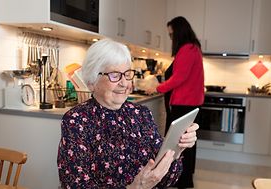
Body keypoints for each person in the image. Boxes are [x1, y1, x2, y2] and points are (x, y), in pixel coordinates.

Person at [57, 38, 199, 189]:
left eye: (127, 74)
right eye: (114, 75)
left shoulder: (141, 114)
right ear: (93, 81)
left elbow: (168, 179)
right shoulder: (77, 120)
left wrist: (176, 151)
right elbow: (74, 185)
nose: (124, 83)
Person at [156, 16, 205, 188]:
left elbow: (179, 78)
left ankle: (182, 180)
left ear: (179, 32)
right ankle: (185, 179)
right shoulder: (193, 48)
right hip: (189, 104)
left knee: (180, 145)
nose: (171, 39)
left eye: (171, 35)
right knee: (187, 144)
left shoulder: (187, 49)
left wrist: (157, 88)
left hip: (184, 105)